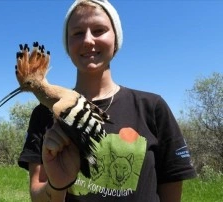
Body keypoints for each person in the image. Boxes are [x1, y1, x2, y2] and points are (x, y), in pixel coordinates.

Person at [18, 0, 196, 201]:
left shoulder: (153, 107)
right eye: (77, 33)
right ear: (67, 44)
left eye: (99, 30)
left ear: (116, 39)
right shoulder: (43, 114)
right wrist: (57, 185)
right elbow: (38, 197)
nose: (87, 40)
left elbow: (171, 187)